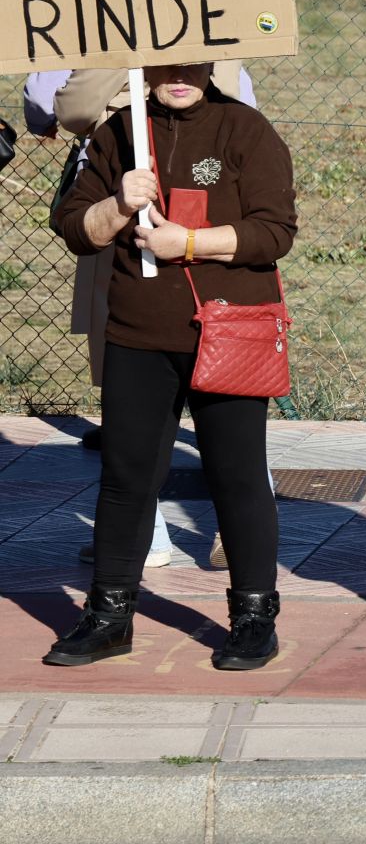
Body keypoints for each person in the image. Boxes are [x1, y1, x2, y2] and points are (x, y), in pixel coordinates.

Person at [45, 61, 297, 670]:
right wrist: (116, 203)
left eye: (194, 62)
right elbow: (74, 227)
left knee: (236, 476)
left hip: (230, 329)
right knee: (127, 476)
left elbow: (274, 233)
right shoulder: (118, 133)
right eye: (166, 62)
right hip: (137, 335)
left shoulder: (247, 130)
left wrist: (187, 244)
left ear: (214, 64)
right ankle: (108, 618)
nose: (179, 74)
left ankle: (253, 617)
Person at [37, 65, 257, 568]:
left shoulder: (236, 115)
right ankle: (141, 549)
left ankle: (236, 553)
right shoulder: (121, 122)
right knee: (136, 427)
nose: (179, 71)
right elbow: (73, 116)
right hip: (127, 229)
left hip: (213, 261)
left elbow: (67, 110)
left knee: (233, 428)